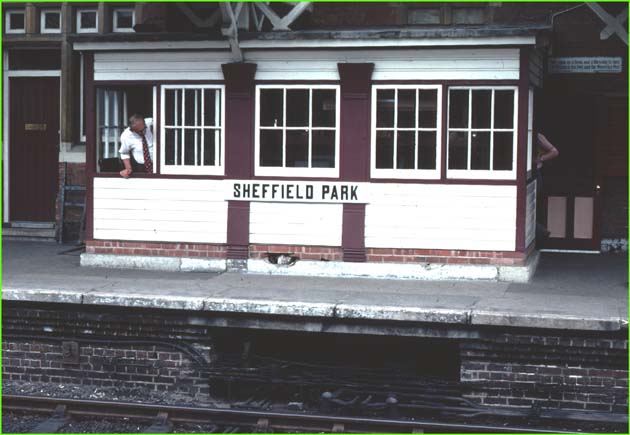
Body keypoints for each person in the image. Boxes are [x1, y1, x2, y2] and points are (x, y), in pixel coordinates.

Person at [534, 133, 559, 242]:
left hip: (535, 173)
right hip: (527, 174)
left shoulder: (538, 136)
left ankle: (541, 232)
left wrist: (540, 159)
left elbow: (554, 151)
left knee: (530, 205)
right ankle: (540, 232)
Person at [119, 114, 154, 178]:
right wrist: (128, 168)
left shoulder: (150, 122)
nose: (143, 132)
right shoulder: (126, 136)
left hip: (158, 165)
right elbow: (124, 153)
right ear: (131, 129)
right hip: (141, 167)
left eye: (144, 129)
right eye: (139, 131)